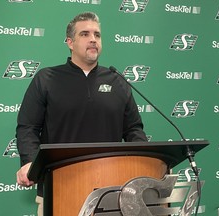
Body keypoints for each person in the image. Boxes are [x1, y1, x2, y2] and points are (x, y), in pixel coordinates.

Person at [16, 11, 147, 216]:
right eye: (85, 34)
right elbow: (28, 128)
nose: (93, 39)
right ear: (70, 42)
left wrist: (145, 162)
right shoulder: (46, 79)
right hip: (58, 187)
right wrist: (30, 162)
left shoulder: (118, 81)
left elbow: (133, 130)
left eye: (97, 34)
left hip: (111, 192)